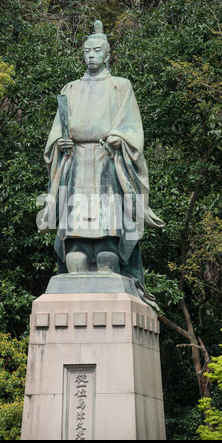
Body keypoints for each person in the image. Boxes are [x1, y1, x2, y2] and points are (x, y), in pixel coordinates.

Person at [38, 21, 164, 306]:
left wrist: (120, 137)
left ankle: (111, 265)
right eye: (87, 51)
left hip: (108, 163)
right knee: (75, 253)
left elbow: (131, 128)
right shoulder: (69, 89)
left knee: (108, 249)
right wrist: (60, 143)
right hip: (76, 166)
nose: (91, 55)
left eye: (97, 51)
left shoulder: (121, 87)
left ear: (107, 55)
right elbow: (57, 132)